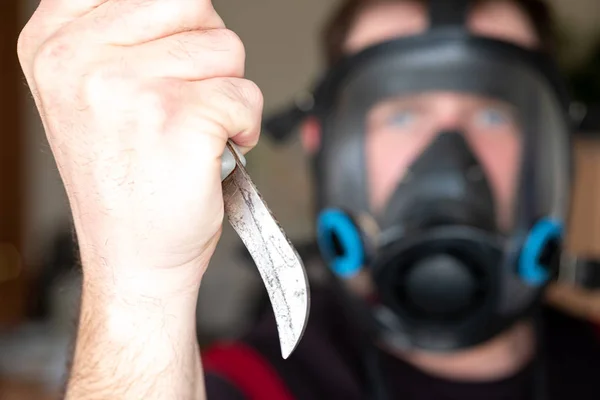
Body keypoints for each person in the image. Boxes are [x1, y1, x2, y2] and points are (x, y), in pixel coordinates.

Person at [16, 1, 600, 400]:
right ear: (327, 144)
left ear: (549, 146)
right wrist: (137, 286)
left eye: (493, 112)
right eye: (401, 113)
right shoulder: (259, 379)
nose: (447, 156)